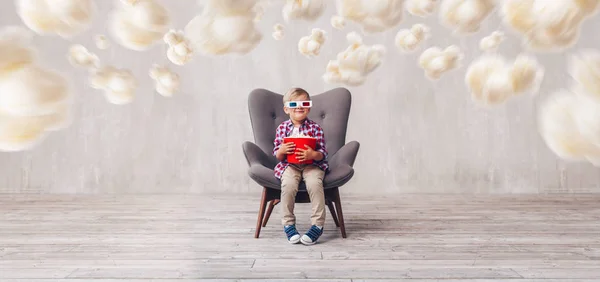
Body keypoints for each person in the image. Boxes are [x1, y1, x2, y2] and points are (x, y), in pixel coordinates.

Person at [272, 87, 329, 245]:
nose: (299, 106)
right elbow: (278, 154)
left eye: (303, 103)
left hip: (312, 165)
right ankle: (288, 224)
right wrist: (282, 150)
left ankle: (317, 225)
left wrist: (313, 154)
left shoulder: (315, 128)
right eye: (294, 103)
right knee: (288, 185)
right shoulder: (282, 128)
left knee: (315, 184)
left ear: (308, 107)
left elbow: (323, 152)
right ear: (286, 109)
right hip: (290, 165)